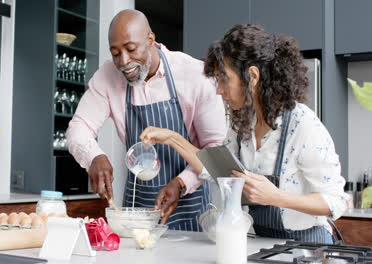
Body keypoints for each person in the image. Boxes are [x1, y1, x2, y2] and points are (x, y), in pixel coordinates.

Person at [140, 24, 348, 243]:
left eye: (224, 78)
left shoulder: (302, 125)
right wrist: (172, 139)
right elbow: (216, 169)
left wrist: (277, 197)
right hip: (264, 246)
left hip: (309, 247)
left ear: (252, 76)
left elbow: (335, 201)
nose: (219, 90)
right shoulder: (243, 127)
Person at [66, 10, 227, 231]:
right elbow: (78, 128)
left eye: (131, 49)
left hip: (191, 208)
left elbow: (215, 151)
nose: (124, 61)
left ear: (150, 39)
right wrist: (94, 156)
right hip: (138, 211)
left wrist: (182, 184)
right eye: (115, 53)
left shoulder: (194, 74)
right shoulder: (107, 76)